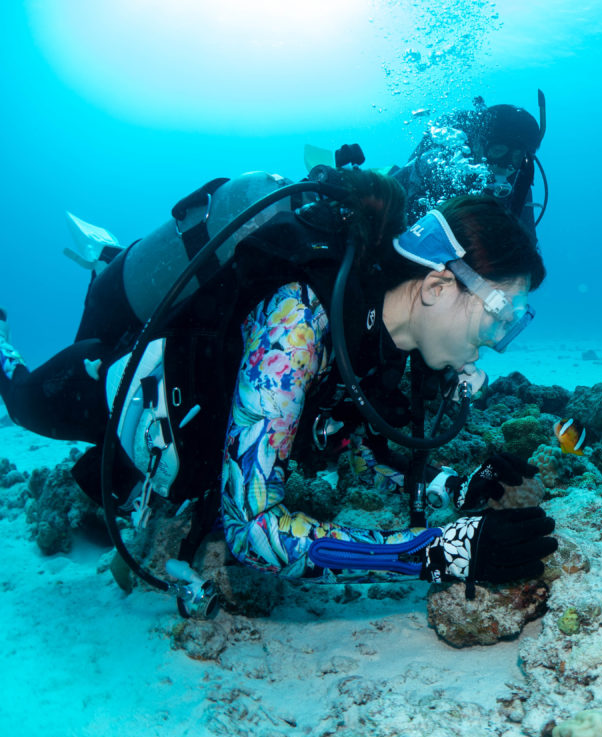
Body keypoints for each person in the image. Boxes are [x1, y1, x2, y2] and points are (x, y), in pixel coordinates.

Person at [0, 164, 557, 609]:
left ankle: (105, 263)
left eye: (510, 325)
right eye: (500, 316)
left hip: (190, 434)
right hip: (129, 375)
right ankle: (38, 319)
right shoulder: (297, 323)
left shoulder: (386, 347)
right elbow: (252, 530)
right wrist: (436, 554)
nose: (494, 341)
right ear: (437, 286)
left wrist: (452, 488)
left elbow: (344, 442)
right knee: (24, 404)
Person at [390, 96, 546, 244]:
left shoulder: (518, 183)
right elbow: (385, 197)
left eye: (517, 157)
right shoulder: (437, 163)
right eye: (497, 151)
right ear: (479, 144)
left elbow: (528, 246)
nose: (506, 165)